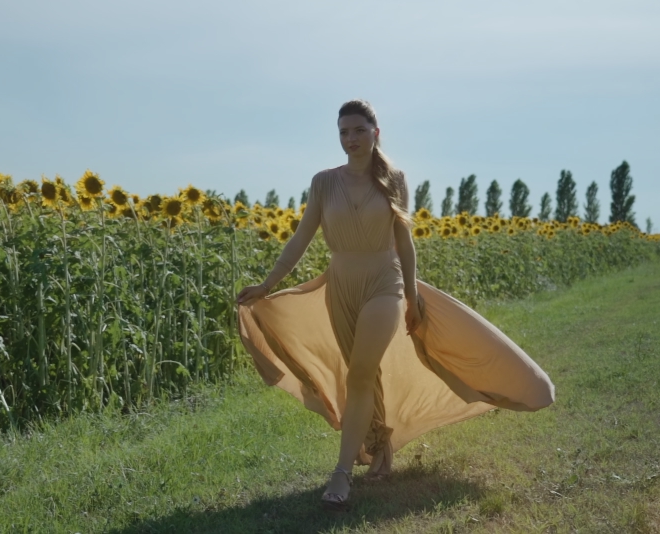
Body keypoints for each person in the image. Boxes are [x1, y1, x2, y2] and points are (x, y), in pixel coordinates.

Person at [235, 99, 555, 510]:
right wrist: (267, 283)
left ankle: (341, 474)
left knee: (362, 374)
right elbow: (300, 239)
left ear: (375, 133)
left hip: (384, 283)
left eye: (358, 131)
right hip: (341, 285)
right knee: (359, 373)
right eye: (343, 132)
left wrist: (411, 293)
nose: (350, 139)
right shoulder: (322, 182)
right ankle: (378, 445)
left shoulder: (395, 179)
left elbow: (404, 242)